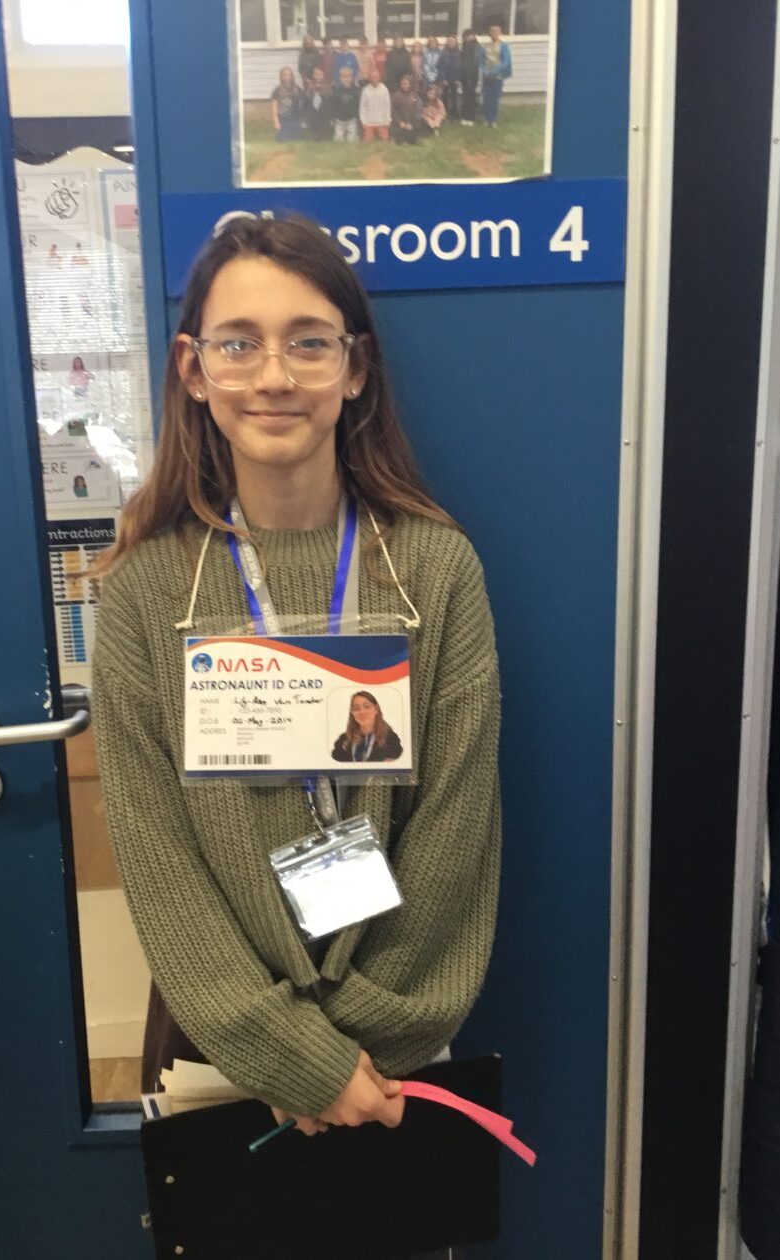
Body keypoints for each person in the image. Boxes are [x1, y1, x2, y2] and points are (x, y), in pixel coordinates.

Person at [88, 215, 501, 1217]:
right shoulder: (146, 591)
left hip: (397, 1036)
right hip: (221, 1034)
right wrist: (286, 1052)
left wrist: (361, 1045)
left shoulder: (435, 571)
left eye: (308, 342)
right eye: (238, 343)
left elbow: (456, 828)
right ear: (193, 370)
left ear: (353, 369)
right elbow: (152, 844)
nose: (273, 375)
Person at [331, 691, 403, 762]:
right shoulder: (343, 740)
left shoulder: (391, 739)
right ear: (352, 712)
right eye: (356, 708)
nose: (362, 712)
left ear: (376, 709)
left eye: (367, 706)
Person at [479, 23, 512, 128]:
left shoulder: (504, 46)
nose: (494, 33)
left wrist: (496, 70)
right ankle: (486, 119)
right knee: (486, 98)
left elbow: (506, 61)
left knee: (495, 98)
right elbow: (481, 60)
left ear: (500, 33)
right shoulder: (485, 46)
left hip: (497, 76)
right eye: (492, 31)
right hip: (487, 76)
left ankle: (493, 120)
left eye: (496, 31)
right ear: (489, 33)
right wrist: (484, 69)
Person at [271, 66, 303, 142]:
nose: (287, 77)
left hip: (295, 119)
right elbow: (274, 109)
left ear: (292, 76)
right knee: (283, 139)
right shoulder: (277, 91)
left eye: (289, 75)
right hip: (283, 119)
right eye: (285, 75)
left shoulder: (298, 89)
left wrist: (302, 120)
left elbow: (303, 105)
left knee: (297, 138)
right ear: (281, 77)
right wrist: (276, 122)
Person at [330, 64, 360, 143]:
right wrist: (333, 118)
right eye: (344, 77)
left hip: (351, 120)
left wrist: (356, 117)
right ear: (341, 78)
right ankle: (338, 135)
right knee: (338, 141)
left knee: (351, 141)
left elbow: (357, 106)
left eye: (348, 77)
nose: (346, 79)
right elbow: (333, 106)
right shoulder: (336, 90)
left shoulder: (356, 90)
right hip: (340, 120)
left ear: (351, 78)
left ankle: (355, 136)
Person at [360, 67, 391, 141]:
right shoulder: (365, 90)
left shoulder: (384, 89)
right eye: (372, 77)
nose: (374, 79)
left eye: (375, 77)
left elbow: (387, 106)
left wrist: (387, 120)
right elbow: (362, 107)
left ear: (379, 77)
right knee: (367, 141)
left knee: (385, 140)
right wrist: (363, 122)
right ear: (369, 79)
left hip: (381, 122)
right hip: (369, 122)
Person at [391, 73, 421, 144]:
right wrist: (400, 122)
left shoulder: (414, 95)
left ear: (410, 84)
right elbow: (393, 110)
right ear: (400, 85)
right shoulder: (396, 95)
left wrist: (412, 123)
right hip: (400, 124)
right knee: (399, 141)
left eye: (406, 84)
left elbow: (418, 110)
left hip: (411, 124)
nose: (405, 86)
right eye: (403, 84)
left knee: (412, 142)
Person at [459, 29, 481, 126]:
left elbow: (474, 62)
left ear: (473, 36)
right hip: (464, 75)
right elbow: (462, 61)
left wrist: (469, 75)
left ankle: (470, 118)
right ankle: (464, 116)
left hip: (472, 74)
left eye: (469, 35)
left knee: (470, 96)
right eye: (466, 36)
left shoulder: (475, 46)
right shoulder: (465, 46)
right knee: (466, 96)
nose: (468, 38)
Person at [304, 66, 332, 141]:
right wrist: (314, 92)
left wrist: (320, 92)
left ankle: (323, 132)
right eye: (316, 74)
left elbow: (329, 97)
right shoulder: (310, 85)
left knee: (325, 137)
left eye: (320, 74)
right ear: (313, 75)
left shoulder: (327, 84)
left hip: (323, 110)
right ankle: (313, 132)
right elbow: (307, 97)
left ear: (323, 75)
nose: (318, 76)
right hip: (313, 111)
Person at [437, 34, 461, 123]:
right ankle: (445, 114)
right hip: (445, 79)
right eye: (449, 41)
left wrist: (458, 79)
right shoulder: (443, 53)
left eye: (453, 41)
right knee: (445, 97)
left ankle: (454, 115)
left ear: (456, 42)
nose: (451, 43)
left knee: (454, 97)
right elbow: (439, 66)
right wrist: (443, 78)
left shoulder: (459, 53)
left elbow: (461, 67)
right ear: (447, 42)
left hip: (455, 78)